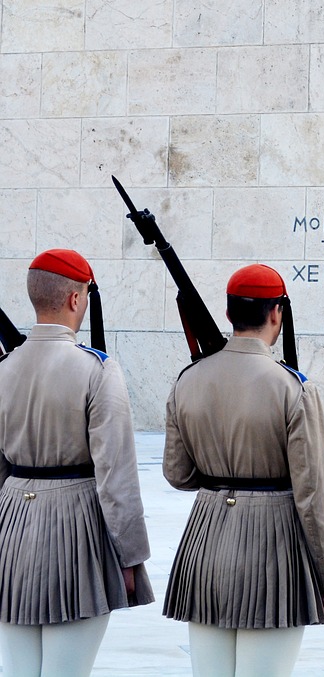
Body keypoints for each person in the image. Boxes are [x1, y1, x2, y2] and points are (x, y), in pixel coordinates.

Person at [163, 263, 324, 674]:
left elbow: (178, 473)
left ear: (228, 314)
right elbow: (311, 493)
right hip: (273, 545)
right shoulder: (292, 387)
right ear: (277, 313)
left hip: (205, 542)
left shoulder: (188, 379)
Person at [0, 249, 154, 676]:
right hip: (75, 526)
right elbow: (115, 475)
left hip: (10, 527)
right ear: (75, 299)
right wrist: (130, 558)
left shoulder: (4, 368)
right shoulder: (97, 370)